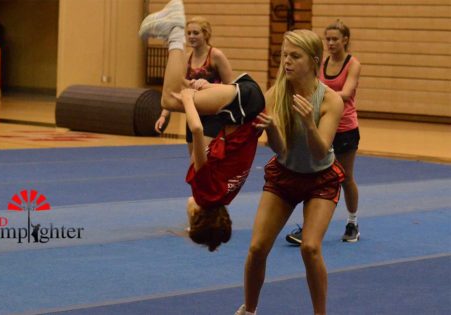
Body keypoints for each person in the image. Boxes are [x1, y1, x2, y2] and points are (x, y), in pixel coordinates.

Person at [139, 0, 265, 251]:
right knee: (170, 97)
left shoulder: (225, 196)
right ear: (198, 215)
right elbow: (196, 130)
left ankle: (172, 35)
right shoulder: (206, 192)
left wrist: (211, 89)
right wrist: (187, 102)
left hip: (249, 109)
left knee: (178, 93)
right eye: (192, 217)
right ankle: (174, 32)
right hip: (242, 108)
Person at [235, 29, 344, 315]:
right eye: (285, 55)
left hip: (320, 179)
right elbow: (281, 150)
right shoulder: (276, 93)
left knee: (310, 248)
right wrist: (271, 127)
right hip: (285, 176)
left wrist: (309, 122)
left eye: (295, 56)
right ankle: (250, 310)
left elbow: (321, 152)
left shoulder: (331, 100)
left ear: (314, 61)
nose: (287, 61)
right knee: (257, 248)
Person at [286, 20, 361, 245]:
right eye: (327, 39)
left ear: (345, 40)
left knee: (345, 178)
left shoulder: (352, 64)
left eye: (334, 39)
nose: (330, 43)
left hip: (346, 128)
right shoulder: (322, 63)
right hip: (322, 125)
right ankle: (309, 226)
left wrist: (322, 93)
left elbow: (346, 93)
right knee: (314, 177)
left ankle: (352, 222)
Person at [154, 16, 233, 155]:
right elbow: (176, 88)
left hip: (212, 115)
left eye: (196, 33)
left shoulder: (215, 56)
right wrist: (163, 115)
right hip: (193, 113)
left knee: (202, 159)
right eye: (189, 33)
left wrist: (209, 86)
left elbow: (231, 88)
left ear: (206, 34)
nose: (191, 36)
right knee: (194, 162)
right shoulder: (186, 59)